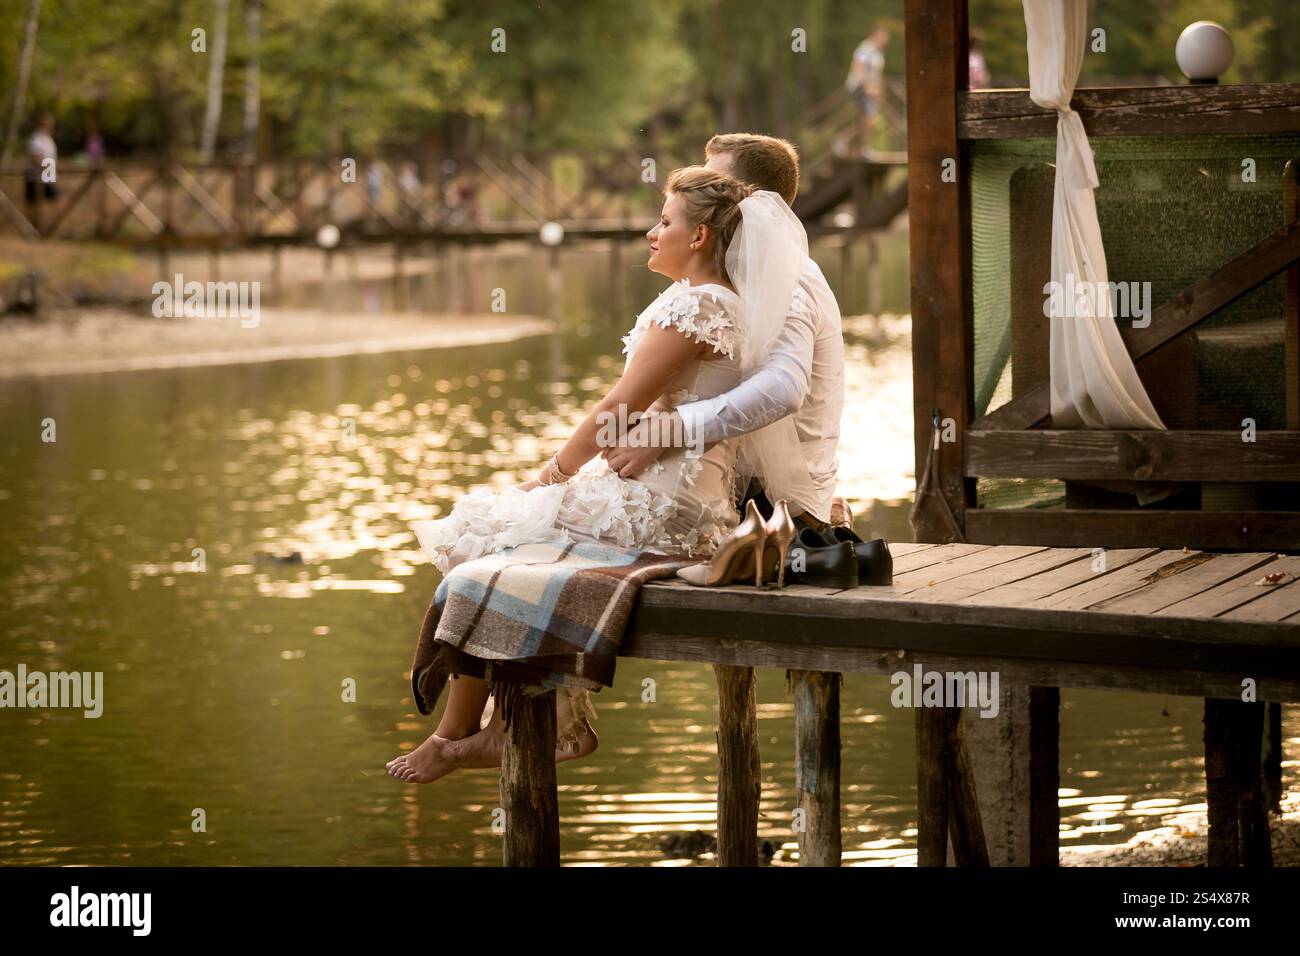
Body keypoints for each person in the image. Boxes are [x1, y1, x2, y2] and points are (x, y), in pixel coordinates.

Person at [387, 166, 810, 784]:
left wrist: (554, 472)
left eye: (665, 221)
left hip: (662, 504)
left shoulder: (700, 303)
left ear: (697, 237)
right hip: (677, 495)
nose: (651, 232)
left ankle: (476, 732)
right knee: (497, 542)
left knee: (483, 535)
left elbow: (620, 406)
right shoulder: (714, 301)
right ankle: (508, 723)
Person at [603, 133, 845, 548]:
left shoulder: (788, 278)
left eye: (716, 183)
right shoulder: (739, 273)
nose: (701, 189)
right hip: (726, 485)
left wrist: (668, 430)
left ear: (749, 201)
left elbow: (783, 389)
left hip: (773, 509)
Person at [845, 26, 889, 159]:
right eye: (883, 37)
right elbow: (858, 67)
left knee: (868, 120)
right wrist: (867, 88)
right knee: (869, 119)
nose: (885, 40)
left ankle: (846, 142)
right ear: (874, 35)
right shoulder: (865, 48)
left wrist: (879, 91)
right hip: (859, 88)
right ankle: (859, 148)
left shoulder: (878, 53)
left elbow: (877, 74)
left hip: (870, 91)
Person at [24, 115, 58, 222]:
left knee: (53, 200)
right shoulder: (36, 139)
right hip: (37, 177)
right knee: (33, 203)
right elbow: (37, 157)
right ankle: (33, 227)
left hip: (48, 176)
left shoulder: (48, 139)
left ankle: (50, 225)